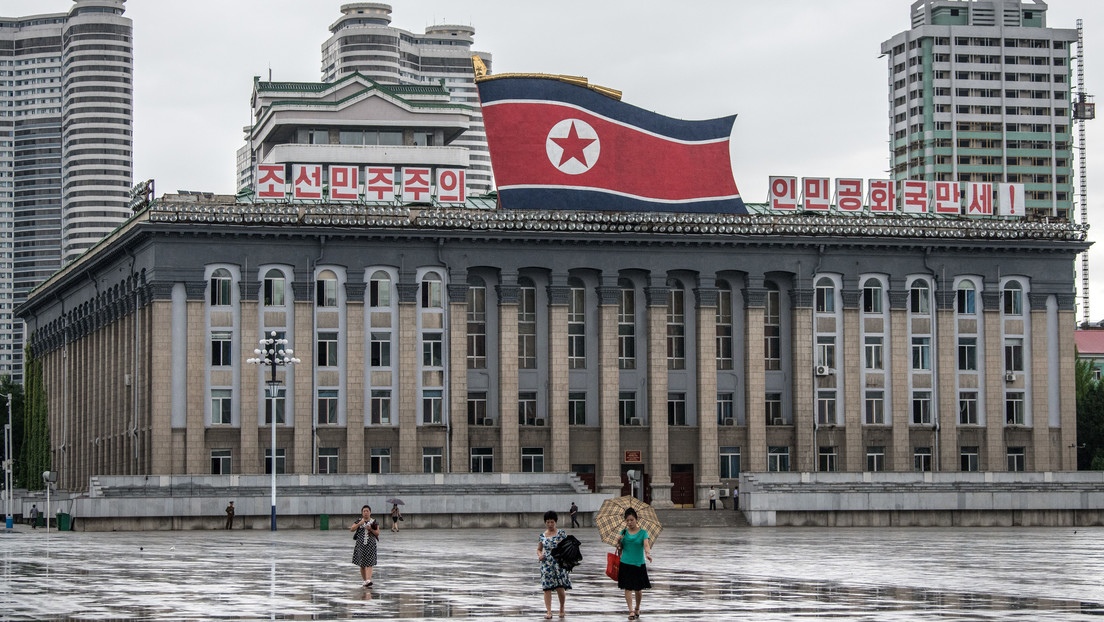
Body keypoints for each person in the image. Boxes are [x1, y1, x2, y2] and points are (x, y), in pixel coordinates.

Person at [616, 507, 652, 620]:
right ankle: (631, 610)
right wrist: (619, 541)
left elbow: (646, 544)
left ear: (636, 520)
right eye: (627, 520)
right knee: (627, 588)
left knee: (638, 589)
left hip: (638, 563)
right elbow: (619, 548)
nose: (629, 522)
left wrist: (648, 553)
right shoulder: (624, 532)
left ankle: (637, 607)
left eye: (631, 520)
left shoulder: (643, 533)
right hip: (625, 563)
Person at [537, 510, 571, 619]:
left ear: (555, 522)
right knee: (546, 588)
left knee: (559, 587)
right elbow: (539, 549)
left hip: (559, 564)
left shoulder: (561, 534)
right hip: (546, 565)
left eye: (552, 522)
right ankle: (548, 611)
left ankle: (561, 607)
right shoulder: (542, 536)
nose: (550, 524)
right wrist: (540, 555)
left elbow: (568, 547)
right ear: (545, 522)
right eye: (548, 522)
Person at [351, 505, 380, 587]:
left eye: (367, 511)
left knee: (370, 563)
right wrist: (359, 524)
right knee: (362, 564)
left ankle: (368, 579)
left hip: (370, 544)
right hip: (360, 545)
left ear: (370, 512)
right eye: (364, 511)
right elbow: (352, 529)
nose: (366, 513)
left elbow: (377, 533)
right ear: (362, 512)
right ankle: (365, 580)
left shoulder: (374, 522)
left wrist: (370, 529)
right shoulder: (359, 521)